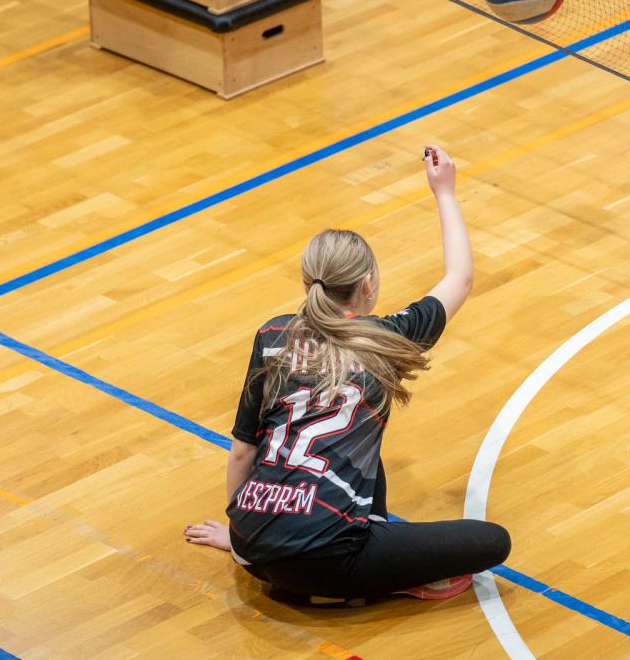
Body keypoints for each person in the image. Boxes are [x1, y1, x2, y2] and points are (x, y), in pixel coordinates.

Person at [184, 144, 510, 602]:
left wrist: (240, 539)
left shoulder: (273, 335)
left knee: (355, 448)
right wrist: (445, 192)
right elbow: (460, 277)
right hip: (330, 562)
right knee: (492, 542)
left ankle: (345, 557)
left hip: (255, 545)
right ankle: (388, 580)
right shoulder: (384, 339)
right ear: (368, 284)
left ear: (307, 282)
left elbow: (243, 450)